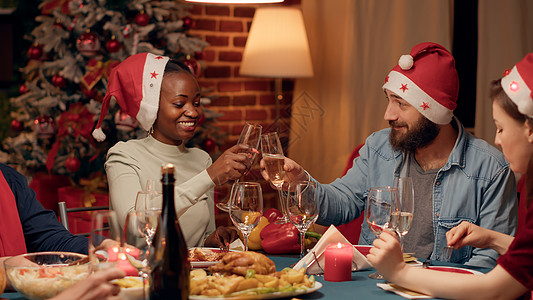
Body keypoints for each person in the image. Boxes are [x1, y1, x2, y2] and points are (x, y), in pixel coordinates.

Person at [261, 42, 518, 268]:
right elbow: (342, 203)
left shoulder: (490, 169)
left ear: (435, 113)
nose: (388, 114)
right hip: (375, 284)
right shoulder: (378, 147)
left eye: (401, 103)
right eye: (388, 99)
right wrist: (300, 184)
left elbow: (489, 261)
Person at [368, 53, 533, 299]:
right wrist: (492, 238)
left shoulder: (491, 166)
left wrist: (399, 272)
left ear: (529, 130)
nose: (497, 140)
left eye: (500, 128)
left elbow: (496, 290)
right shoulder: (377, 147)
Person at [93, 53, 245, 248]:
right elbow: (132, 224)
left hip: (194, 276)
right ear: (152, 108)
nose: (193, 112)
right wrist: (209, 177)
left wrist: (215, 238)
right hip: (139, 274)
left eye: (196, 103)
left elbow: (201, 240)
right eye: (179, 104)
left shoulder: (202, 159)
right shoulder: (124, 155)